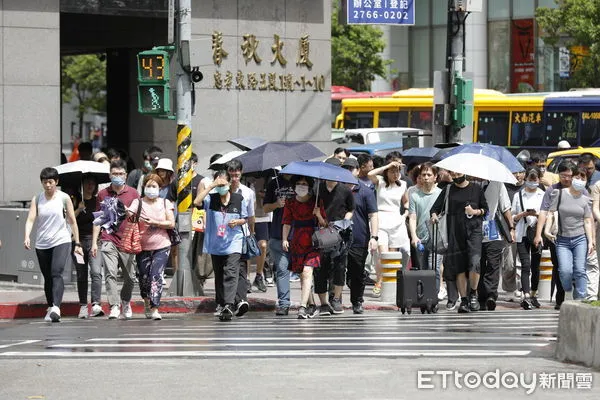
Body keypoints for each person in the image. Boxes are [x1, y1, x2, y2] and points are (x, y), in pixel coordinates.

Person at [24, 167, 83, 322]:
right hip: (42, 243)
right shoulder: (37, 199)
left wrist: (77, 242)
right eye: (45, 182)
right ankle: (50, 306)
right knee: (48, 277)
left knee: (56, 272)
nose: (48, 185)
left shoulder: (64, 198)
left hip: (61, 240)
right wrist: (27, 236)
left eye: (50, 182)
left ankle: (56, 307)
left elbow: (72, 221)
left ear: (56, 182)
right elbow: (30, 219)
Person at [430, 171, 488, 313]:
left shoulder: (476, 188)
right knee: (459, 268)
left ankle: (473, 293)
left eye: (458, 173)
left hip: (474, 231)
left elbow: (485, 210)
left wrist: (475, 212)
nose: (456, 176)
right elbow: (435, 208)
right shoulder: (448, 189)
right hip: (455, 232)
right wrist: (434, 216)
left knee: (475, 262)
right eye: (452, 174)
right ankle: (464, 300)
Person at [195, 170, 248, 321]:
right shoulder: (211, 199)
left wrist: (237, 222)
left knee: (230, 272)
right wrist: (211, 186)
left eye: (223, 184)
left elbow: (244, 218)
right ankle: (221, 303)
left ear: (230, 183)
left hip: (234, 242)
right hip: (216, 243)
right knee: (219, 274)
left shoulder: (238, 199)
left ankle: (229, 305)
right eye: (218, 184)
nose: (221, 187)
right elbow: (196, 202)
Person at [91, 159, 140, 319]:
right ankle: (114, 305)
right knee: (110, 273)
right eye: (114, 174)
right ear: (109, 175)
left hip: (126, 239)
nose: (117, 176)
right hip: (108, 238)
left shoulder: (133, 193)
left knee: (130, 277)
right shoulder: (102, 194)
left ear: (125, 175)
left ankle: (125, 301)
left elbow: (137, 217)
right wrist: (94, 243)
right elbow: (99, 219)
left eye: (120, 174)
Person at [127, 174, 175, 320]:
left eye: (154, 186)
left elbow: (171, 223)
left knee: (156, 275)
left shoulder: (166, 203)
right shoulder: (138, 202)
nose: (151, 189)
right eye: (148, 186)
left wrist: (154, 222)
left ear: (160, 188)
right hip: (142, 247)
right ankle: (147, 301)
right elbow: (130, 215)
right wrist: (128, 213)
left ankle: (155, 307)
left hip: (162, 245)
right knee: (144, 277)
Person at [545, 166, 594, 301]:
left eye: (582, 178)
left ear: (586, 181)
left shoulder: (585, 199)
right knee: (565, 271)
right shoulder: (559, 194)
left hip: (580, 239)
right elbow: (550, 213)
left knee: (580, 270)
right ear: (572, 178)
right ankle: (568, 290)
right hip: (562, 240)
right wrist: (546, 230)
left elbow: (588, 221)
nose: (579, 180)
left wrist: (590, 241)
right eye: (577, 177)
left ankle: (581, 300)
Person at [533, 161, 577, 309]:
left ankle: (577, 298)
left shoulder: (579, 190)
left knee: (575, 267)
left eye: (570, 176)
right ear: (558, 175)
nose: (567, 179)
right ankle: (560, 299)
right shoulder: (551, 190)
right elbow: (543, 213)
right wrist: (539, 234)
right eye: (564, 175)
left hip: (577, 236)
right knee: (559, 267)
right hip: (556, 237)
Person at [282, 176, 327, 318]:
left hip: (313, 240)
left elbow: (324, 224)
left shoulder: (316, 202)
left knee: (307, 272)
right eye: (298, 183)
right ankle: (311, 305)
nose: (301, 186)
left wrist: (318, 215)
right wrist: (284, 239)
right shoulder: (290, 202)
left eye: (304, 184)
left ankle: (302, 307)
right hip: (297, 240)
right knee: (302, 274)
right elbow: (287, 222)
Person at [317, 162, 355, 315]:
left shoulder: (345, 190)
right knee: (320, 268)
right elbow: (313, 209)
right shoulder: (317, 189)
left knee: (340, 266)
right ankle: (323, 302)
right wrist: (318, 216)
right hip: (322, 231)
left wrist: (344, 222)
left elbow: (351, 209)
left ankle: (337, 298)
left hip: (340, 232)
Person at [367, 158, 409, 297]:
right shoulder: (381, 182)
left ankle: (389, 283)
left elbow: (406, 201)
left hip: (396, 220)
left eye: (397, 171)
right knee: (382, 253)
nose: (395, 174)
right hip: (381, 219)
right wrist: (388, 165)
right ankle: (379, 281)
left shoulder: (403, 184)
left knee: (392, 254)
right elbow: (370, 174)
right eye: (392, 171)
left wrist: (406, 213)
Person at [342, 158, 379, 314]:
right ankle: (334, 300)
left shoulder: (365, 191)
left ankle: (357, 301)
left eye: (352, 169)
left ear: (358, 171)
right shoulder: (338, 190)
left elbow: (373, 215)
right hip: (338, 239)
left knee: (356, 272)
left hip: (359, 238)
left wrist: (374, 237)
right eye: (346, 169)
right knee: (337, 272)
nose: (349, 172)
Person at [477, 180, 515, 311]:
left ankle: (491, 295)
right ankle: (480, 295)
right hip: (474, 230)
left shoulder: (497, 183)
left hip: (493, 230)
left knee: (493, 264)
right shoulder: (471, 184)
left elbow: (505, 207)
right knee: (478, 264)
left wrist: (511, 228)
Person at [408, 163, 444, 303]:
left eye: (429, 175)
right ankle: (423, 297)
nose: (426, 177)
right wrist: (414, 236)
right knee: (422, 269)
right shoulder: (414, 195)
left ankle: (433, 297)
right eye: (423, 175)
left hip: (437, 237)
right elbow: (412, 217)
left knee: (433, 267)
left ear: (435, 177)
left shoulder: (441, 193)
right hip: (420, 237)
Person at [512, 167, 545, 309]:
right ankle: (525, 295)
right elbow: (513, 217)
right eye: (530, 179)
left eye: (535, 179)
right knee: (525, 265)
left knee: (535, 266)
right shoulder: (518, 195)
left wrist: (537, 215)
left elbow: (546, 215)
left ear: (539, 179)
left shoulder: (543, 195)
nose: (532, 182)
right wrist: (523, 214)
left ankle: (533, 294)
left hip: (537, 233)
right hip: (522, 233)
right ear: (526, 179)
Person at [263, 173, 296, 315]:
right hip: (277, 234)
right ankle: (284, 303)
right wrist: (277, 204)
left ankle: (308, 302)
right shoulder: (273, 183)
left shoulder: (303, 181)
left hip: (299, 233)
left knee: (304, 272)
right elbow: (265, 208)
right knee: (282, 270)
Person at [72, 175, 104, 318]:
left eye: (93, 183)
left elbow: (101, 220)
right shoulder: (75, 200)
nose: (90, 186)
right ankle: (83, 306)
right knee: (81, 274)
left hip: (95, 241)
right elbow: (69, 220)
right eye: (87, 183)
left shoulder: (98, 201)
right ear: (82, 185)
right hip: (78, 242)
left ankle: (96, 303)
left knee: (96, 272)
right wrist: (79, 209)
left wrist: (94, 244)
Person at [225, 160, 255, 311]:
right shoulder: (223, 190)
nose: (234, 178)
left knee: (241, 267)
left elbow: (251, 216)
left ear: (241, 173)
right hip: (224, 235)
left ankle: (241, 299)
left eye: (237, 175)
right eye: (231, 175)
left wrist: (251, 233)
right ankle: (227, 301)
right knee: (229, 269)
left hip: (242, 234)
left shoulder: (248, 192)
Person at [251, 175, 271, 292]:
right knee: (247, 249)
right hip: (247, 217)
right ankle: (247, 279)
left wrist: (265, 195)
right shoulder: (242, 179)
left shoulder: (267, 176)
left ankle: (259, 275)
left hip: (261, 216)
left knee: (263, 246)